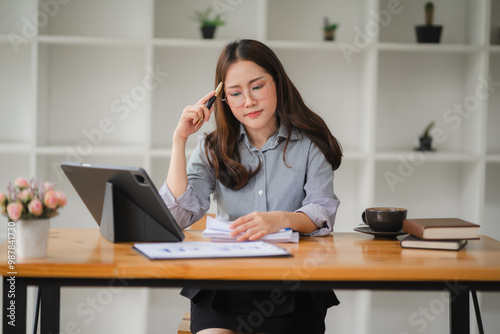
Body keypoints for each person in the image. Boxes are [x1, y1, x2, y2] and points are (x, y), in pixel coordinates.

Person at [159, 39, 343, 334]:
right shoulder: (212, 147)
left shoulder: (310, 144)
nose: (248, 101)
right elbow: (177, 216)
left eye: (258, 86)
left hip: (291, 286)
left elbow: (321, 211)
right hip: (224, 284)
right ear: (222, 99)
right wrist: (179, 140)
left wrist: (283, 220)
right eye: (235, 93)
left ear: (278, 83)